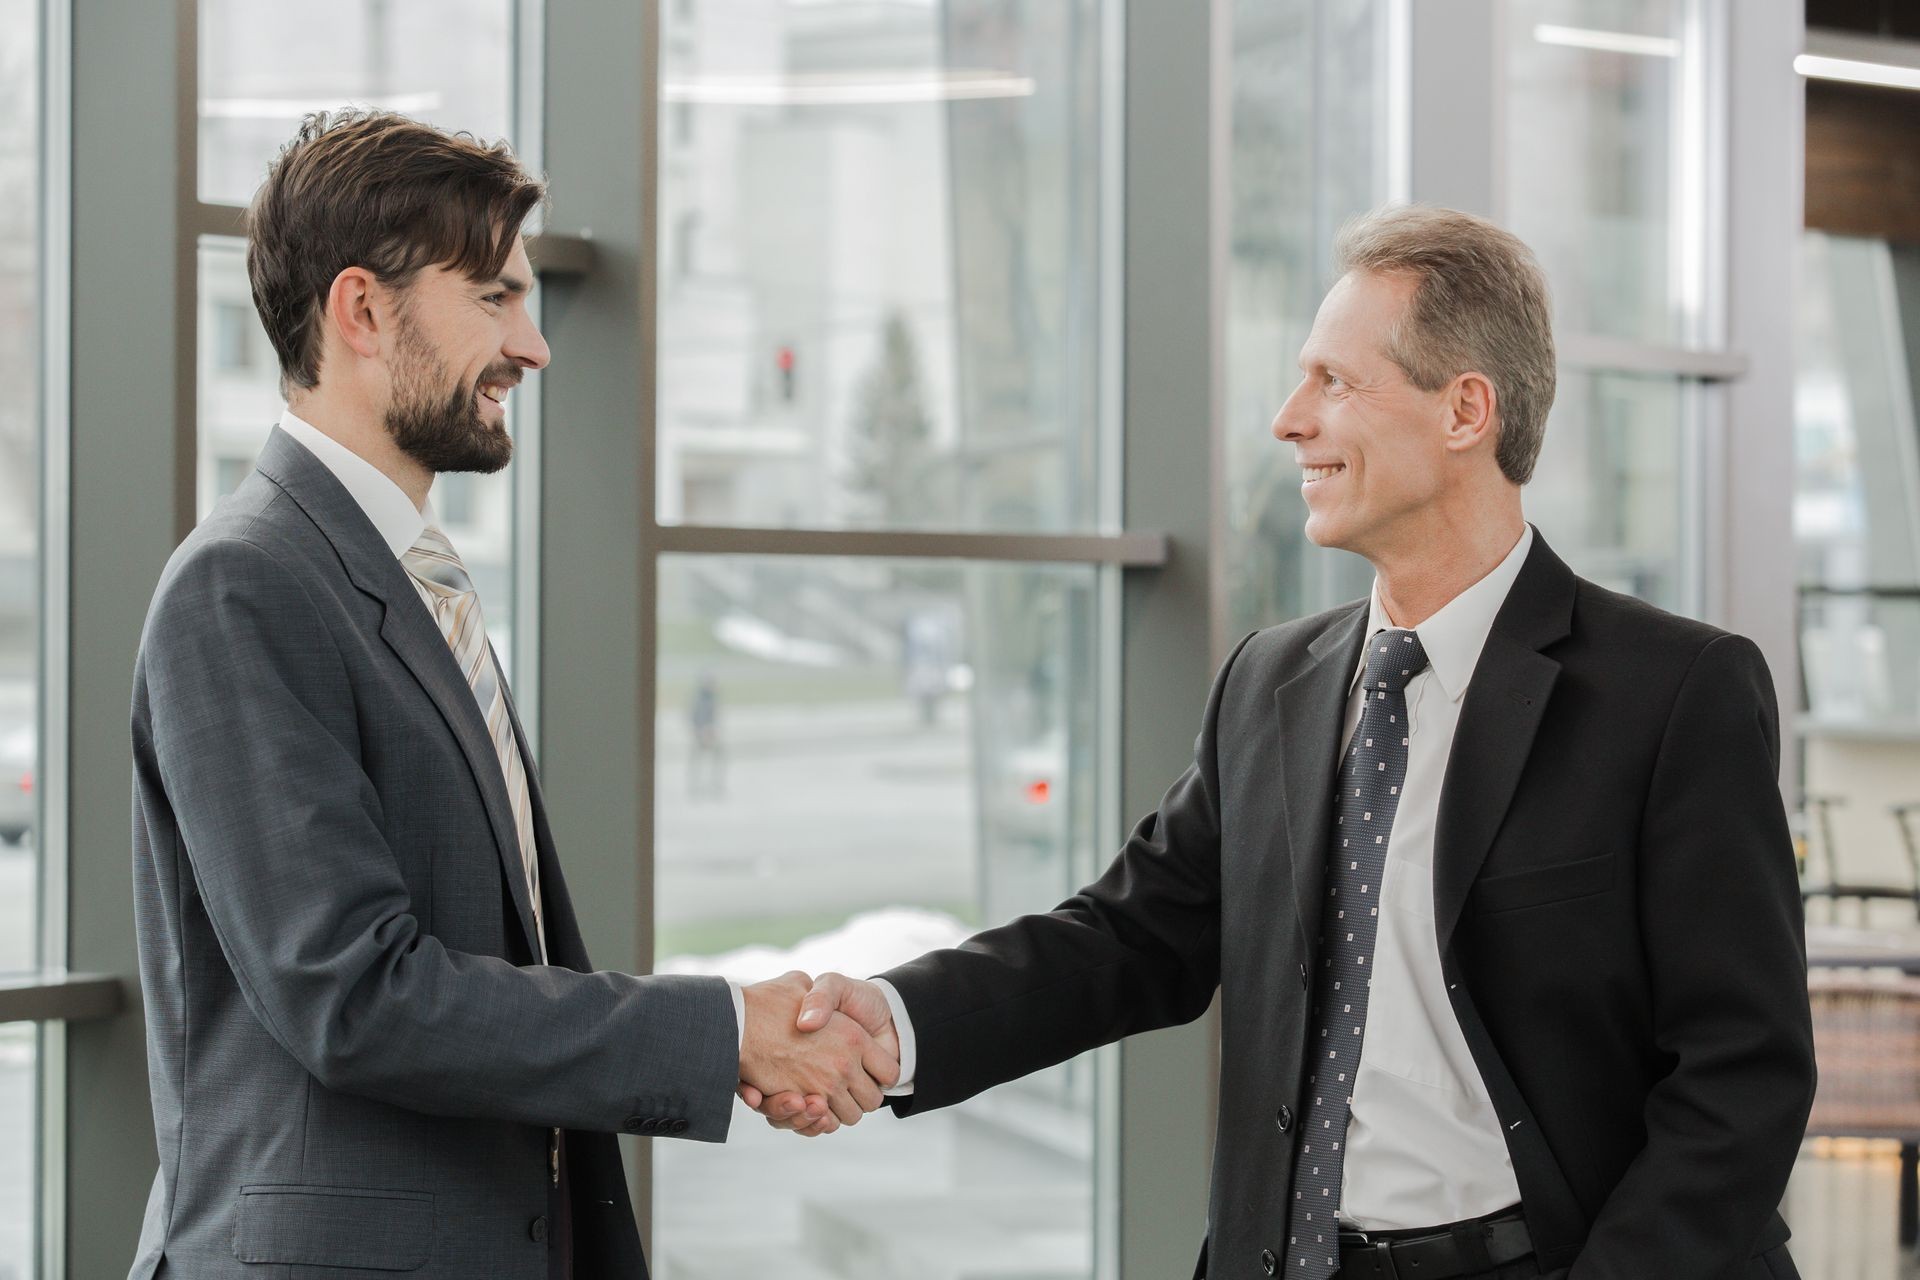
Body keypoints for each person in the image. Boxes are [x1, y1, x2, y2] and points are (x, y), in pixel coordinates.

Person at [746, 205, 1816, 1279]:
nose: (1288, 419)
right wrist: (890, 1021)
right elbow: (1128, 939)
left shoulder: (1672, 693)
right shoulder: (1272, 680)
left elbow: (1742, 1074)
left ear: (1466, 410)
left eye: (1334, 382)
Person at [128, 111, 894, 1280]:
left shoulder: (397, 571)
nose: (533, 347)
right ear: (363, 312)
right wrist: (727, 1028)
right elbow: (354, 993)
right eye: (493, 297)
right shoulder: (245, 584)